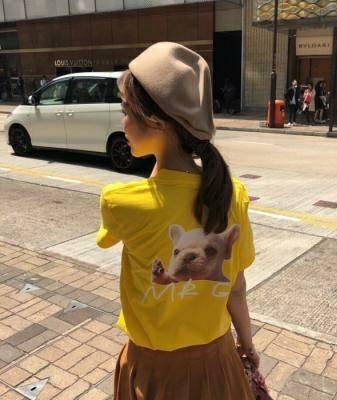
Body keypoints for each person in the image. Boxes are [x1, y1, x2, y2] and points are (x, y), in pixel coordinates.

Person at [97, 42, 259, 400]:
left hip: (153, 373)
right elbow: (236, 289)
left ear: (155, 120)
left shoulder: (122, 202)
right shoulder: (232, 194)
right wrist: (247, 346)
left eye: (126, 110)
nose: (123, 122)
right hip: (219, 365)